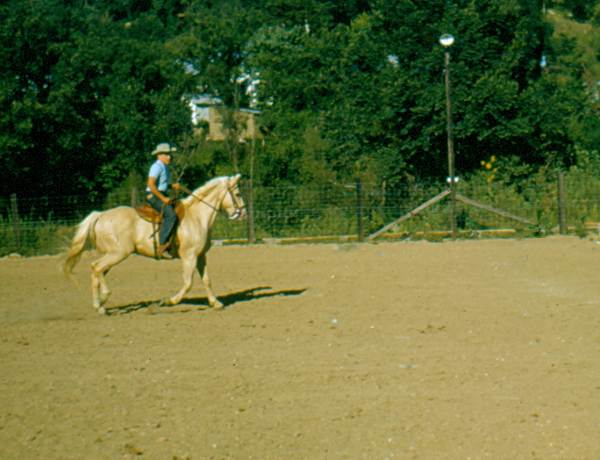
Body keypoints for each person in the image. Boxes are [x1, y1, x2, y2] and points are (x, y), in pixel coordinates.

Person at [146, 143, 180, 258]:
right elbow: (151, 184)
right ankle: (162, 245)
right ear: (159, 155)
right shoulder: (156, 166)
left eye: (169, 154)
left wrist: (172, 186)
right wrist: (163, 198)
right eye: (166, 154)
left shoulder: (165, 167)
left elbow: (162, 185)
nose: (169, 157)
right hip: (153, 196)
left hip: (160, 194)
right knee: (171, 215)